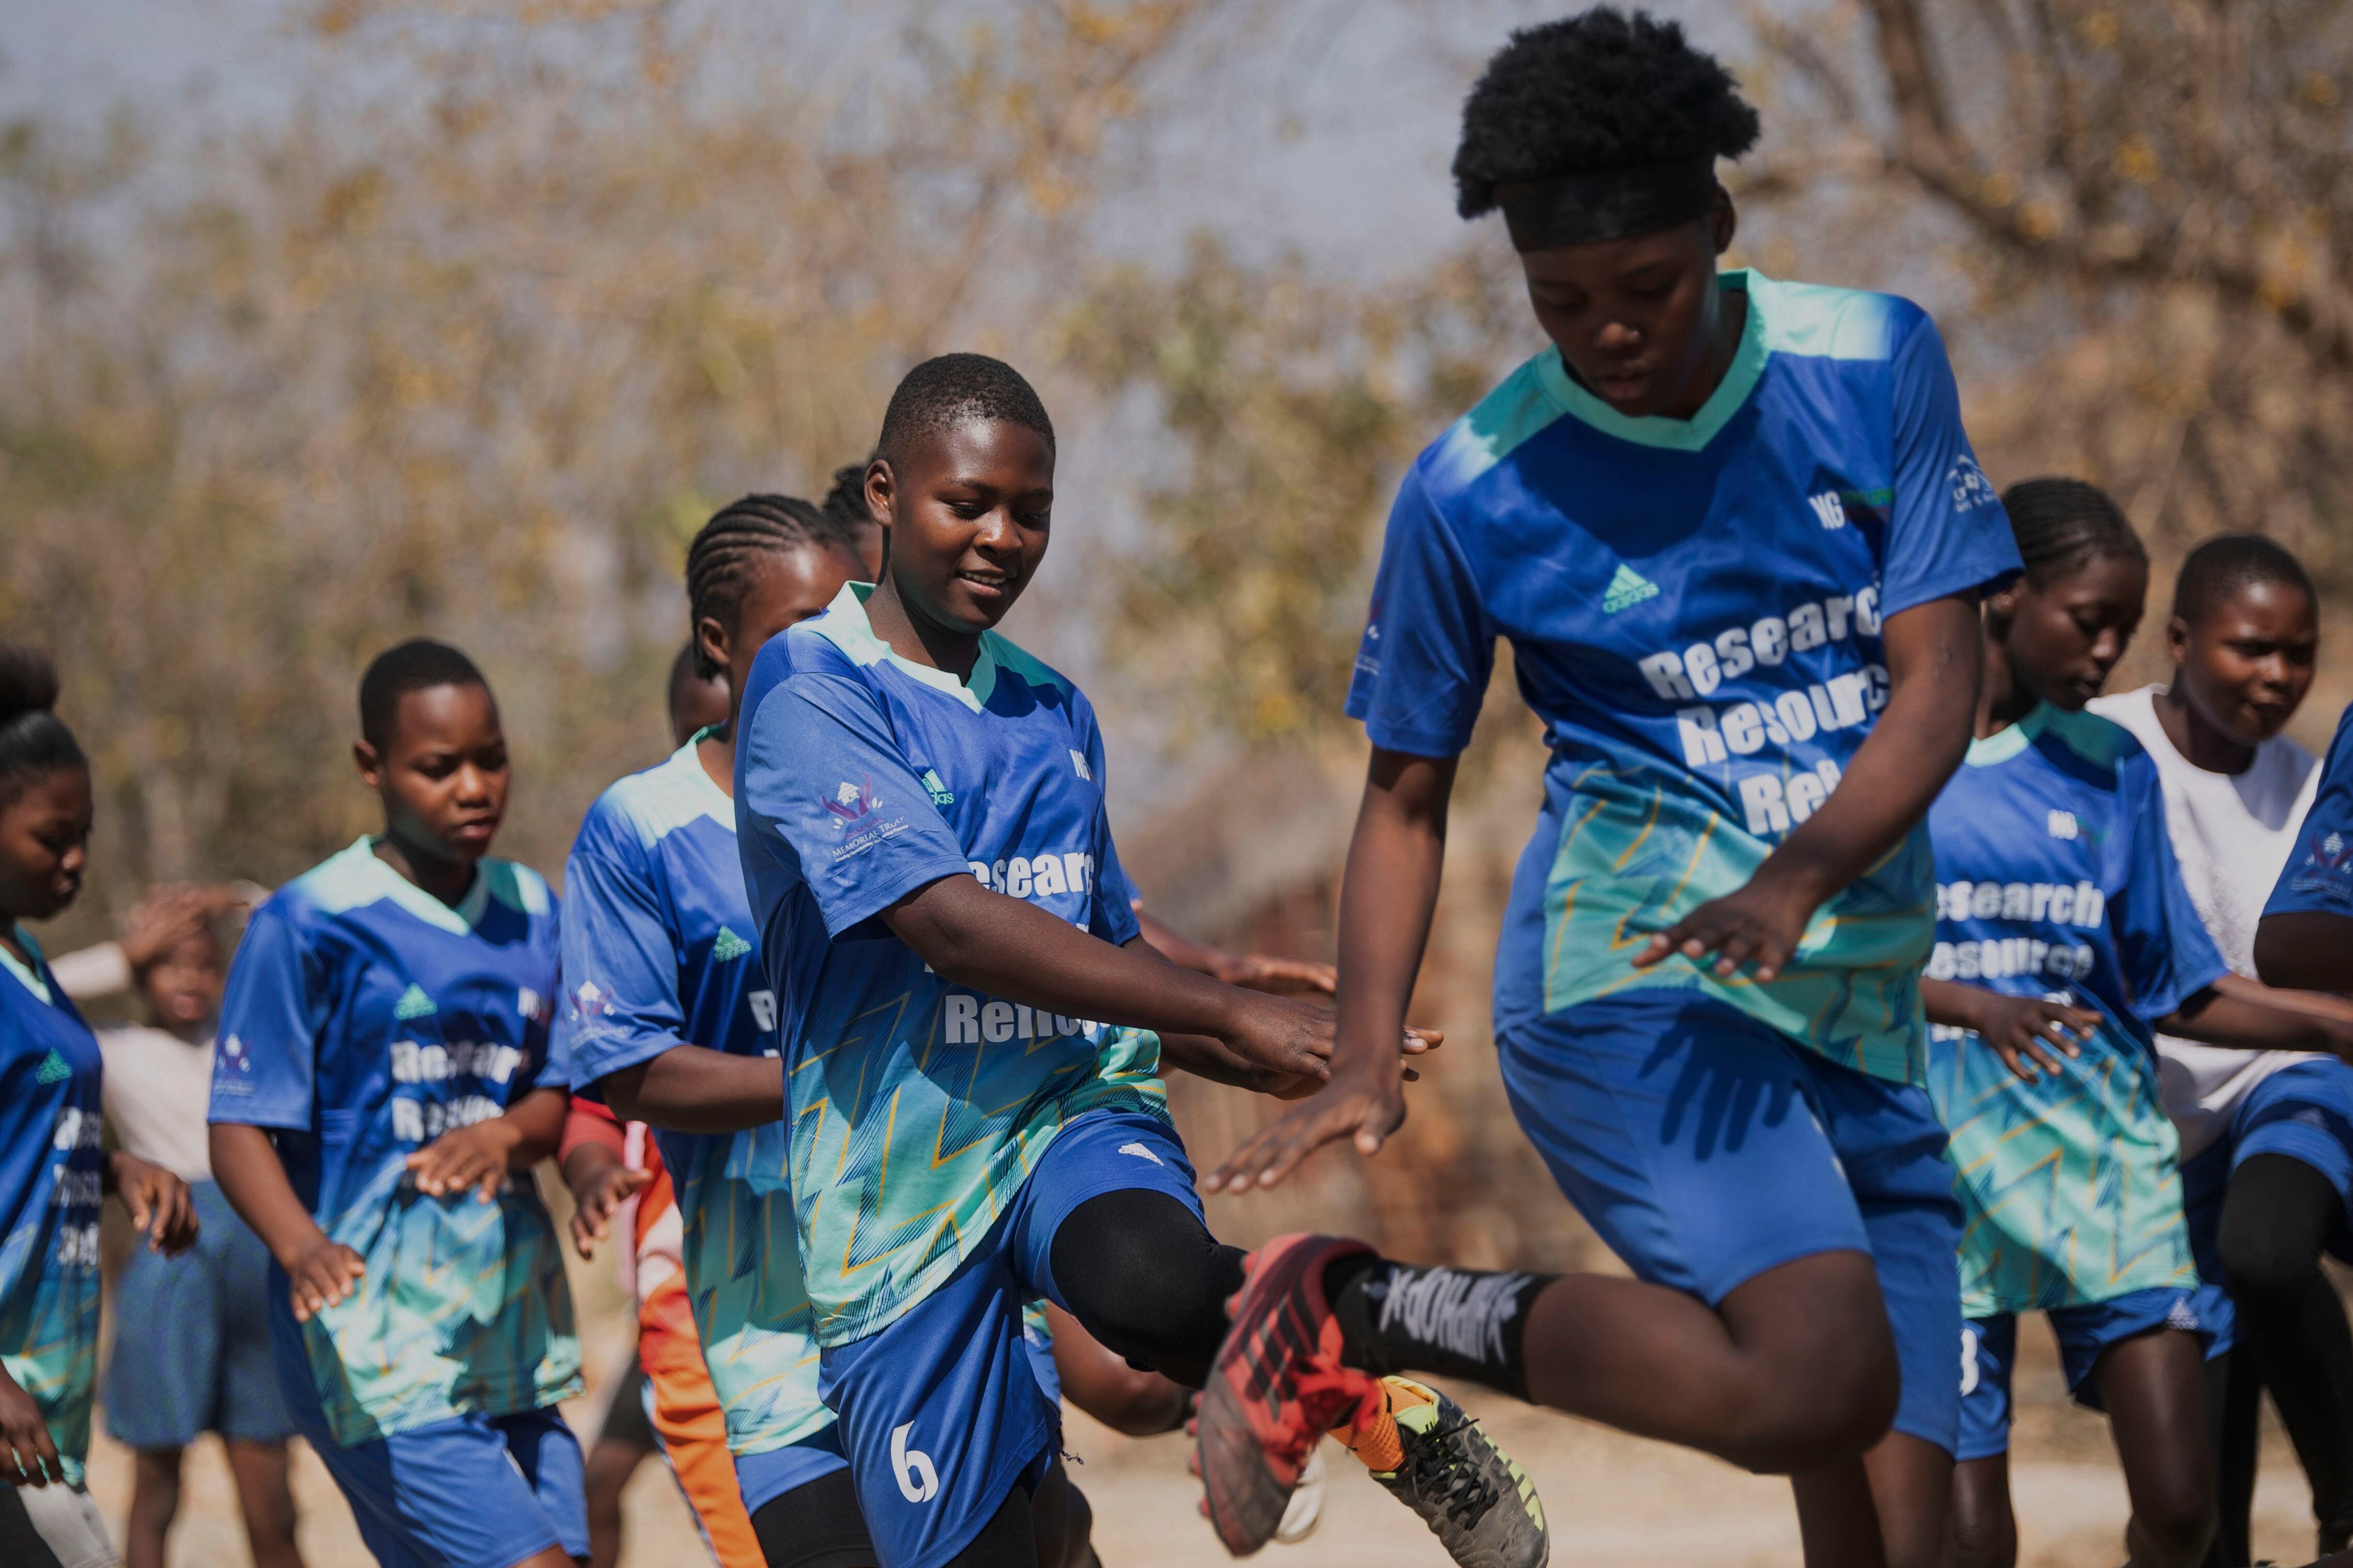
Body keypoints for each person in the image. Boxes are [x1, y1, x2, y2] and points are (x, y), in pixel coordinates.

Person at [1194, 11, 2025, 1564]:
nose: (1611, 333)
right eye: (1560, 302)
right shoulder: (1473, 485)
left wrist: (1800, 874)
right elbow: (1404, 793)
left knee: (1922, 1535)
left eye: (1646, 288)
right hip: (1637, 990)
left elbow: (1943, 681)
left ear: (1720, 226)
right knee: (1814, 1377)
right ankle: (1351, 1303)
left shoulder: (1870, 361)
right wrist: (1366, 1051)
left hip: (1850, 985)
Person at [730, 353, 1530, 1568]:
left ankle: (1394, 1388)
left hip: (1065, 1110)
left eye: (1032, 509)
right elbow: (946, 924)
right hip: (891, 1203)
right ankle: (1327, 1387)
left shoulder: (1055, 710)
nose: (1004, 536)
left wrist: (1232, 1038)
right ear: (887, 494)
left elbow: (1102, 943)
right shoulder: (809, 682)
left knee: (1151, 1286)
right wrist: (1225, 1011)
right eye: (970, 503)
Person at [1915, 482, 2353, 1568]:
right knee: (1969, 1536)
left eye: (2123, 623)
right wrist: (1972, 1004)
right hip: (1950, 1176)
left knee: (2180, 1503)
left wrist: (2337, 1029)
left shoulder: (2112, 772)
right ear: (2003, 596)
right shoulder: (1899, 758)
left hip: (2112, 1172)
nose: (2108, 649)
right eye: (2090, 620)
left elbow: (2177, 987)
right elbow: (1835, 954)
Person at [208, 639, 588, 1568]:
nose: (473, 788)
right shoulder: (311, 921)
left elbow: (559, 1093)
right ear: (371, 767)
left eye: (490, 759)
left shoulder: (533, 908)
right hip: (369, 1331)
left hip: (507, 1321)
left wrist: (505, 1134)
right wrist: (301, 1247)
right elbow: (237, 1123)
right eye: (438, 767)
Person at [2089, 533, 2353, 1565]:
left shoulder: (2310, 782)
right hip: (2148, 1137)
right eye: (2253, 649)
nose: (2280, 677)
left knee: (2268, 1246)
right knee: (2195, 1501)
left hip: (2281, 1078)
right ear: (2182, 641)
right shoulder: (2100, 750)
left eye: (2302, 652)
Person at [0, 645, 198, 1568]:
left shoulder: (30, 967)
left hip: (49, 1398)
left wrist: (116, 1167)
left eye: (85, 832)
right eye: (53, 836)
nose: (77, 858)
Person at [98, 889, 305, 1568]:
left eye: (204, 966)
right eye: (166, 965)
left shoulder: (250, 1042)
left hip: (256, 1257)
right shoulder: (105, 1054)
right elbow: (32, 1030)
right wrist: (123, 957)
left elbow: (317, 978)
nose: (187, 980)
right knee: (157, 1486)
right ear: (141, 977)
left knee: (271, 1496)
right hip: (171, 1259)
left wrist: (270, 913)